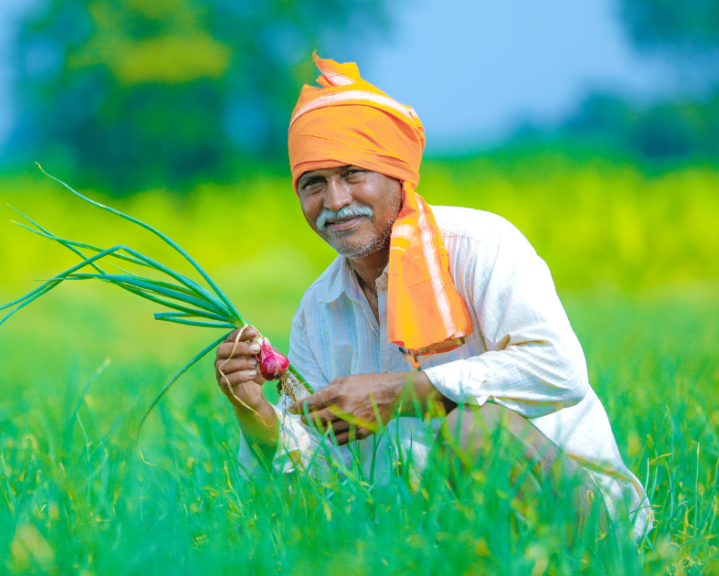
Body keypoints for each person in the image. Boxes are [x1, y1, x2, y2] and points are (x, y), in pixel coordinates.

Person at [212, 54, 652, 539]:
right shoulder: (318, 309)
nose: (335, 202)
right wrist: (252, 409)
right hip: (435, 531)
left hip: (585, 520)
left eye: (354, 173)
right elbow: (319, 471)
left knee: (473, 430)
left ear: (397, 175)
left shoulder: (481, 246)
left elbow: (558, 371)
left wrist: (399, 395)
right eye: (313, 184)